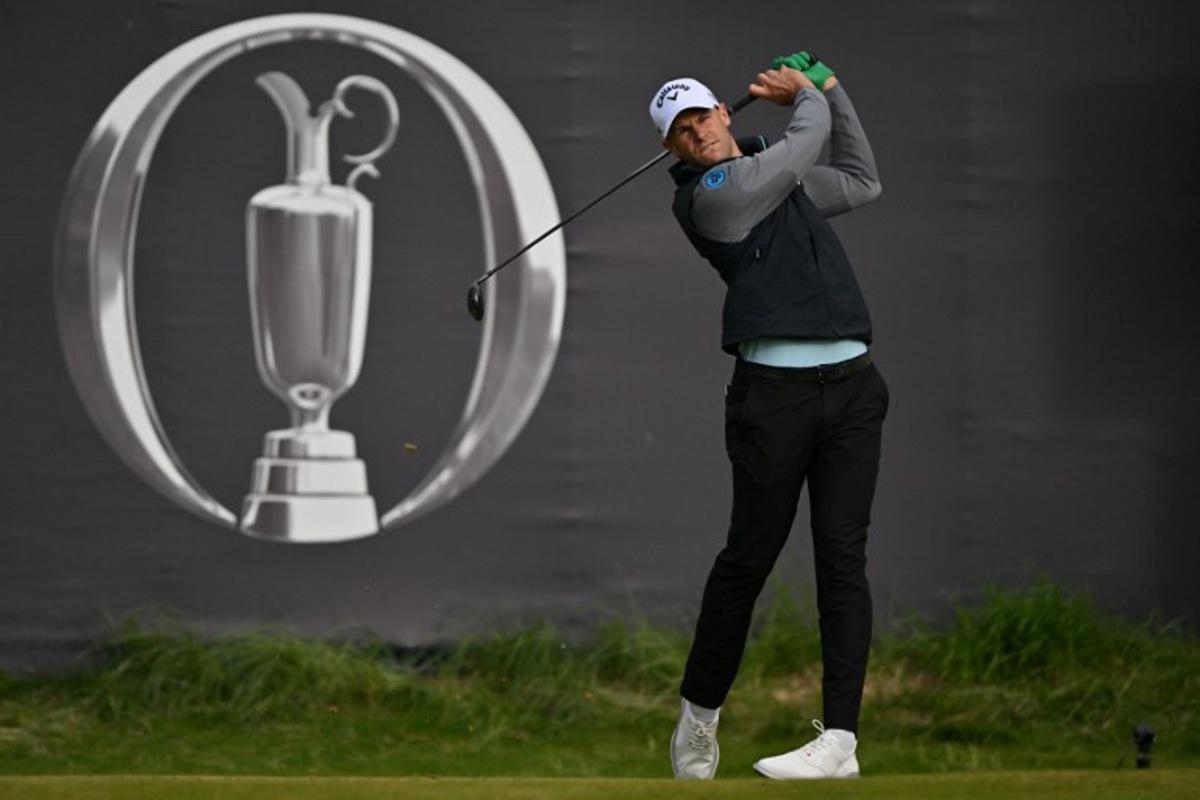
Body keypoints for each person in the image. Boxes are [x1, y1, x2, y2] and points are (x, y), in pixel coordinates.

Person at [648, 52, 888, 780]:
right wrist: (807, 94)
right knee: (747, 561)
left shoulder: (777, 182)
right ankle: (699, 718)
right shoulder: (710, 197)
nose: (696, 135)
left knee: (843, 561)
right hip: (772, 399)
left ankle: (839, 742)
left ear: (724, 113)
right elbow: (798, 149)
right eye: (680, 132)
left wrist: (836, 91)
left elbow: (859, 179)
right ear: (672, 150)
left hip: (851, 387)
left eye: (702, 117)